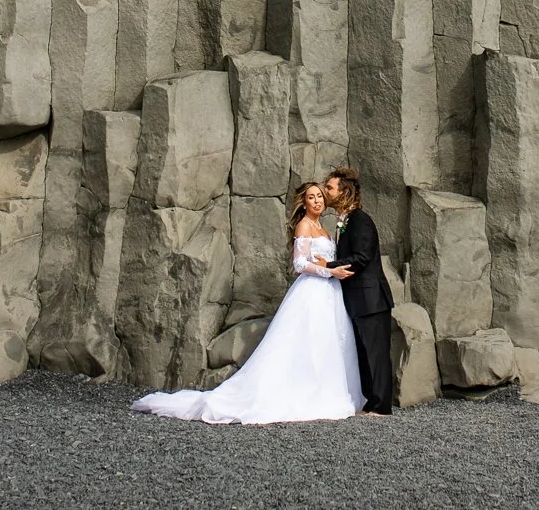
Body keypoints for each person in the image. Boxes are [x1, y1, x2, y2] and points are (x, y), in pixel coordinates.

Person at [130, 181, 365, 424]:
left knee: (326, 342)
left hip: (329, 294)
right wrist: (330, 273)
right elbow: (298, 264)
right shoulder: (304, 225)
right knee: (307, 341)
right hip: (312, 292)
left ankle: (323, 390)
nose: (317, 200)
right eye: (311, 197)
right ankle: (300, 393)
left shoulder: (323, 227)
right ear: (303, 203)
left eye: (319, 196)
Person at [324, 166, 395, 416]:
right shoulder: (344, 221)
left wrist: (327, 266)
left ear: (344, 192)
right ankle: (371, 401)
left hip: (371, 298)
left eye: (330, 188)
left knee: (376, 353)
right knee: (364, 353)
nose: (325, 191)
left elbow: (363, 257)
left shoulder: (360, 220)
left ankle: (382, 405)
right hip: (357, 299)